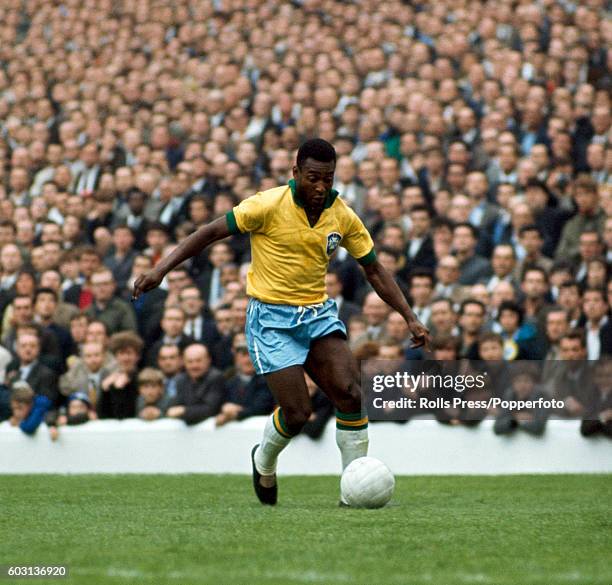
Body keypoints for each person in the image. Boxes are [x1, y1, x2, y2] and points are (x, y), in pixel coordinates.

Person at [134, 139, 429, 506]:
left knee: (351, 394)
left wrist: (410, 317)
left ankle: (351, 496)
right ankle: (264, 459)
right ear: (295, 174)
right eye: (313, 178)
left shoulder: (343, 215)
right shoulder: (266, 205)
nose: (321, 186)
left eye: (328, 178)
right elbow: (209, 233)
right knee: (298, 412)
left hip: (317, 314)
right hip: (271, 319)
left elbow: (373, 268)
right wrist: (160, 270)